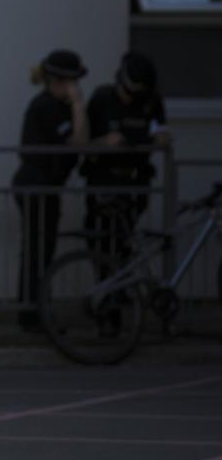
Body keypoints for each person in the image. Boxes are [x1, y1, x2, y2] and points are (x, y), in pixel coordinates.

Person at [12, 50, 88, 328]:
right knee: (38, 251)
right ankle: (33, 315)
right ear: (59, 81)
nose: (76, 89)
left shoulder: (56, 106)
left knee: (41, 251)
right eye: (72, 83)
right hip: (36, 187)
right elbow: (78, 142)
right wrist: (78, 104)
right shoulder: (46, 107)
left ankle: (34, 312)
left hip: (45, 188)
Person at [82, 51, 170, 261]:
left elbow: (161, 132)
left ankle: (120, 289)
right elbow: (83, 142)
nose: (129, 99)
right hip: (104, 179)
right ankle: (105, 287)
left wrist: (160, 138)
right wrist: (104, 142)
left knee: (125, 239)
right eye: (126, 93)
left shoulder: (151, 102)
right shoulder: (103, 98)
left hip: (135, 180)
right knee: (100, 239)